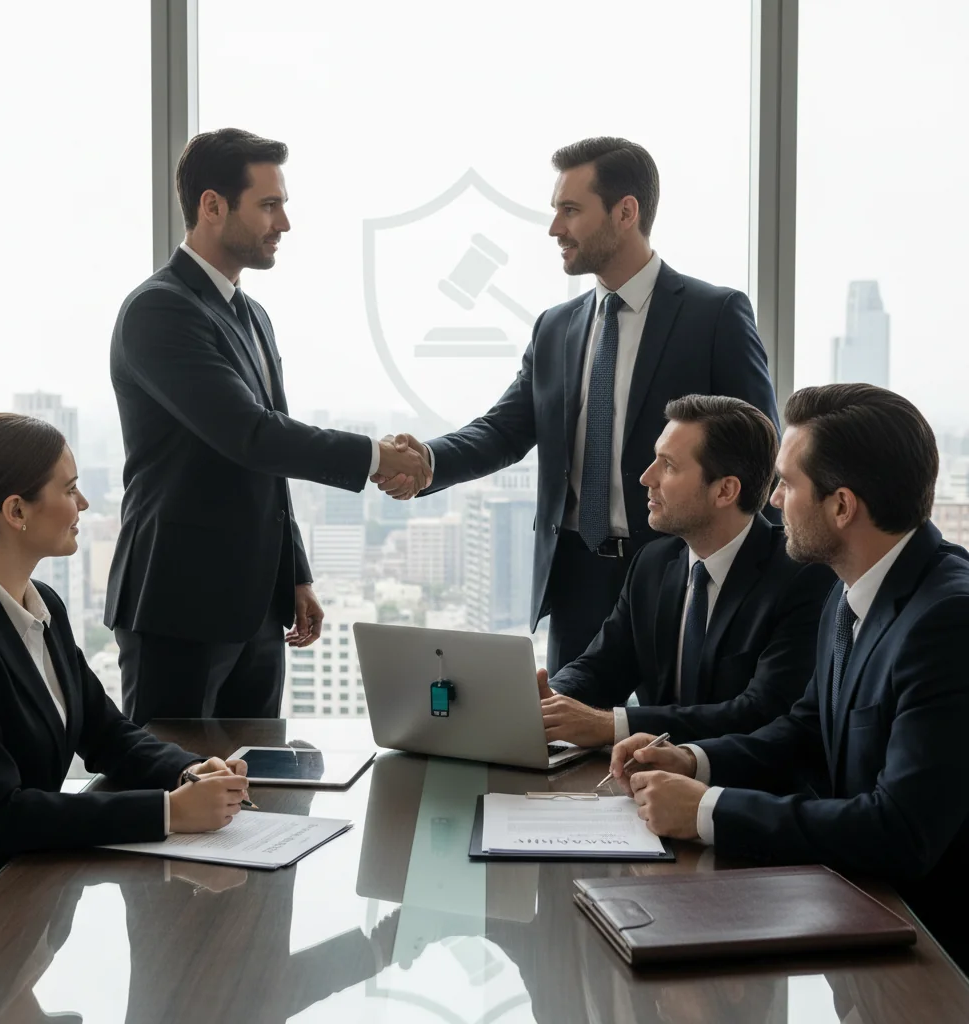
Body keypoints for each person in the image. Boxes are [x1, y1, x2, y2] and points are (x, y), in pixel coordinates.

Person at [374, 137, 779, 674]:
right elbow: (505, 429)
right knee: (566, 720)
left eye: (570, 210)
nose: (554, 229)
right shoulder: (556, 327)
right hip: (575, 576)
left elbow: (760, 448)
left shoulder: (715, 314)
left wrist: (762, 573)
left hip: (682, 569)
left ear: (625, 212)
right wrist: (428, 460)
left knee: (678, 720)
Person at [611, 384, 969, 971]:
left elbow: (901, 829)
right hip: (855, 912)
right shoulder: (848, 590)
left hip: (930, 955)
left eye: (786, 484)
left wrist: (707, 811)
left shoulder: (948, 620)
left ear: (842, 506)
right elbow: (804, 729)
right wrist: (693, 759)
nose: (773, 500)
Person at [105, 128, 430, 725]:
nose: (284, 223)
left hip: (257, 608)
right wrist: (377, 456)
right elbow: (250, 434)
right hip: (178, 604)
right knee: (173, 774)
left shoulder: (252, 314)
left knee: (259, 773)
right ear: (212, 206)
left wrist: (295, 574)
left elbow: (268, 460)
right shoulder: (159, 309)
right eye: (269, 205)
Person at [0, 414, 251, 919]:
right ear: (16, 510)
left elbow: (107, 733)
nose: (83, 503)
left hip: (36, 893)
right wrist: (168, 812)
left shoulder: (43, 604)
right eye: (69, 489)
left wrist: (186, 771)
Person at [538, 395, 835, 748]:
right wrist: (549, 699)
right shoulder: (652, 563)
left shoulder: (803, 576)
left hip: (738, 778)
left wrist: (613, 726)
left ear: (725, 490)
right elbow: (601, 668)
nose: (646, 477)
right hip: (644, 773)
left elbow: (761, 711)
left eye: (668, 466)